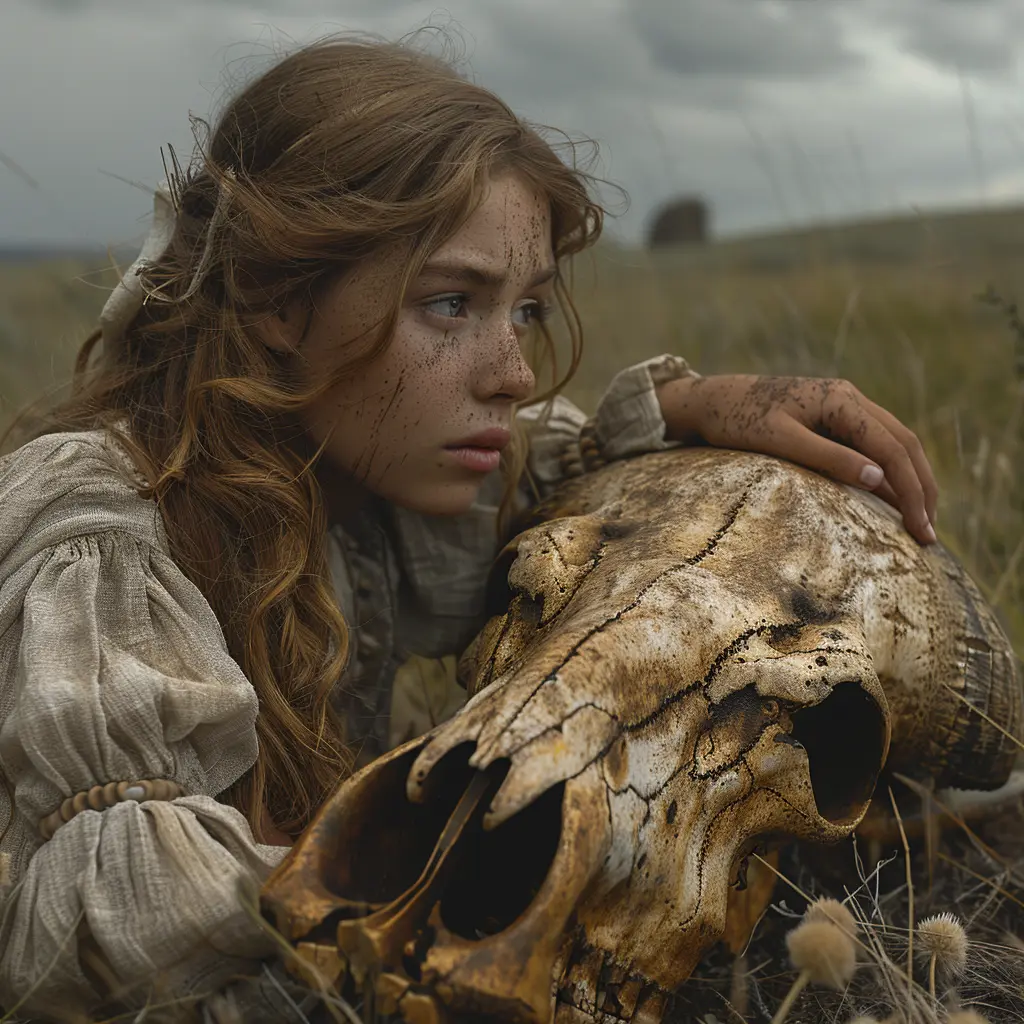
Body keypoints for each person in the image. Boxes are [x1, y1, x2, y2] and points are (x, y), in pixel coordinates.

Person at [0, 34, 938, 1021]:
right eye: (452, 302)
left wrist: (690, 405)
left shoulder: (341, 474)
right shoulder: (102, 530)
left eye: (525, 310)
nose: (514, 371)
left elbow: (537, 465)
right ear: (278, 300)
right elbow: (116, 926)